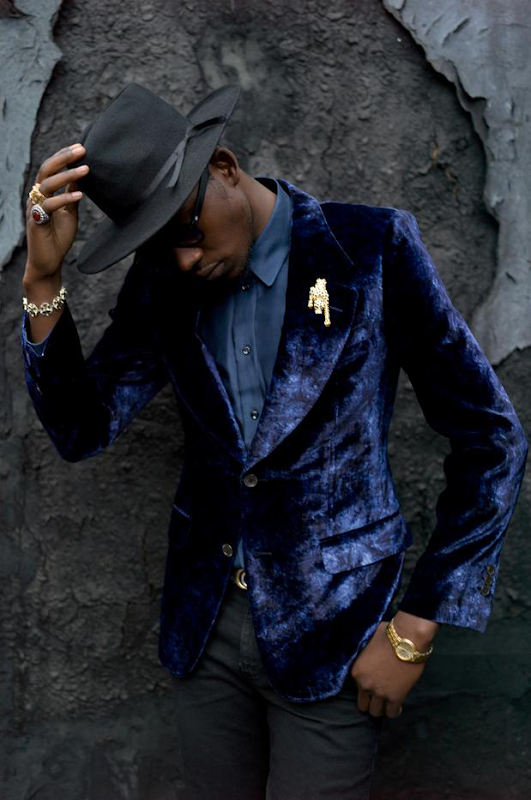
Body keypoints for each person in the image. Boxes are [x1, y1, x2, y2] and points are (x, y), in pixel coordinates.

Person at [21, 83, 528, 799]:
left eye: (186, 228)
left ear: (225, 167)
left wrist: (415, 628)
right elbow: (81, 428)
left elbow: (491, 437)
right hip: (204, 632)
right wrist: (43, 277)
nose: (183, 259)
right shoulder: (164, 281)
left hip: (337, 633)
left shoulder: (371, 248)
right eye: (160, 244)